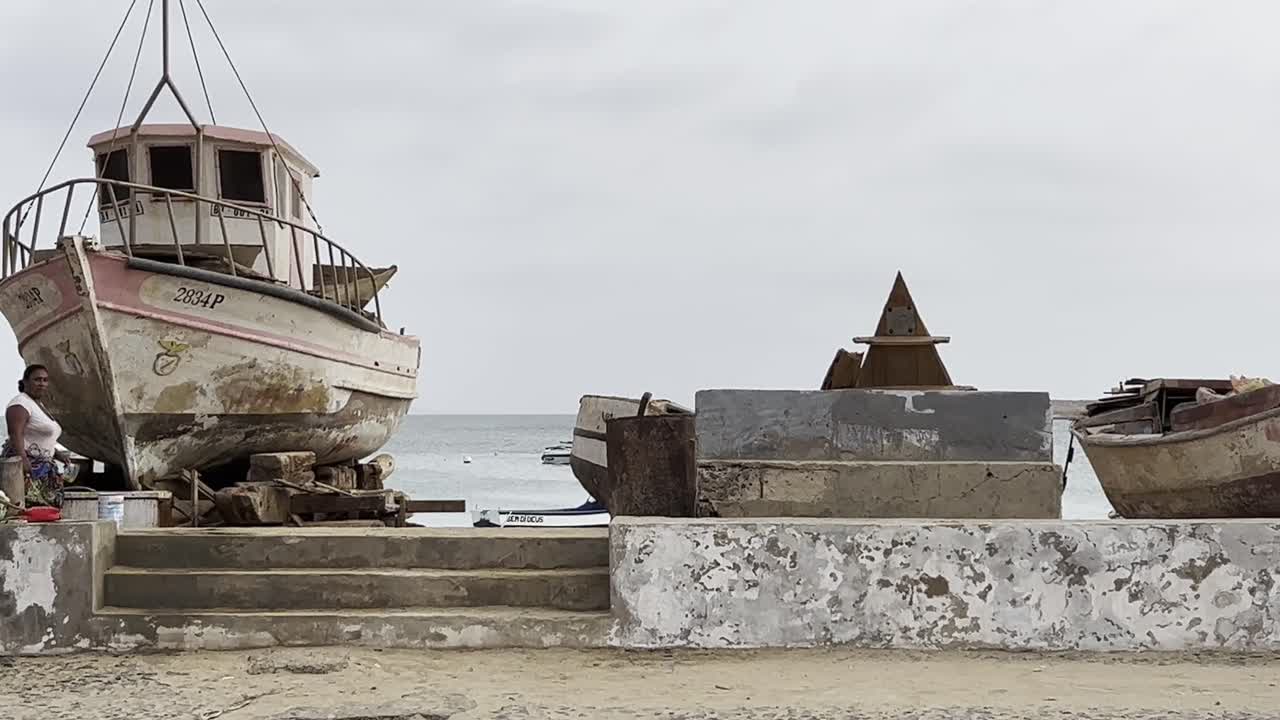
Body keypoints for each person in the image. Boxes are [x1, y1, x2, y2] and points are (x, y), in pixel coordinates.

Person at [3, 364, 69, 506]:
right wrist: (23, 460)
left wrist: (57, 454)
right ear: (25, 382)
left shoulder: (37, 405)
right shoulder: (20, 404)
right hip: (28, 468)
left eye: (45, 380)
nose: (42, 384)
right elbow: (15, 434)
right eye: (37, 379)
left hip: (43, 467)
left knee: (45, 510)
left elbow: (38, 437)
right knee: (29, 508)